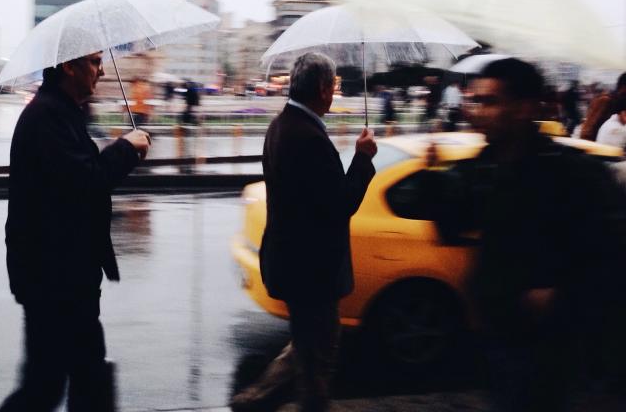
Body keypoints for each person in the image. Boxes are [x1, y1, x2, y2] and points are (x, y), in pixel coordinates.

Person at [422, 58, 626, 412]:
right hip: (495, 330)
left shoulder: (569, 173)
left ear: (523, 108)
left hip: (548, 343)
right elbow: (452, 226)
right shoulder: (483, 165)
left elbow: (606, 254)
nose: (477, 111)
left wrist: (557, 291)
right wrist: (434, 175)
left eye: (490, 101)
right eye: (475, 101)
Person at [0, 51, 151, 412]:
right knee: (50, 385)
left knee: (67, 379)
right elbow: (86, 180)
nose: (102, 70)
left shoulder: (61, 112)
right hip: (53, 277)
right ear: (69, 66)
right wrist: (127, 149)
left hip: (63, 274)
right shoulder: (47, 116)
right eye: (95, 62)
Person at [230, 52, 377, 412]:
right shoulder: (308, 137)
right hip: (312, 271)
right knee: (320, 356)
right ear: (323, 88)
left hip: (293, 263)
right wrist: (362, 159)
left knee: (307, 342)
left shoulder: (281, 126)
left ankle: (255, 399)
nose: (335, 93)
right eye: (335, 86)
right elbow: (340, 204)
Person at [579, 72, 626, 140]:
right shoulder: (605, 100)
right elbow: (587, 131)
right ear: (623, 87)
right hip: (595, 146)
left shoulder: (619, 101)